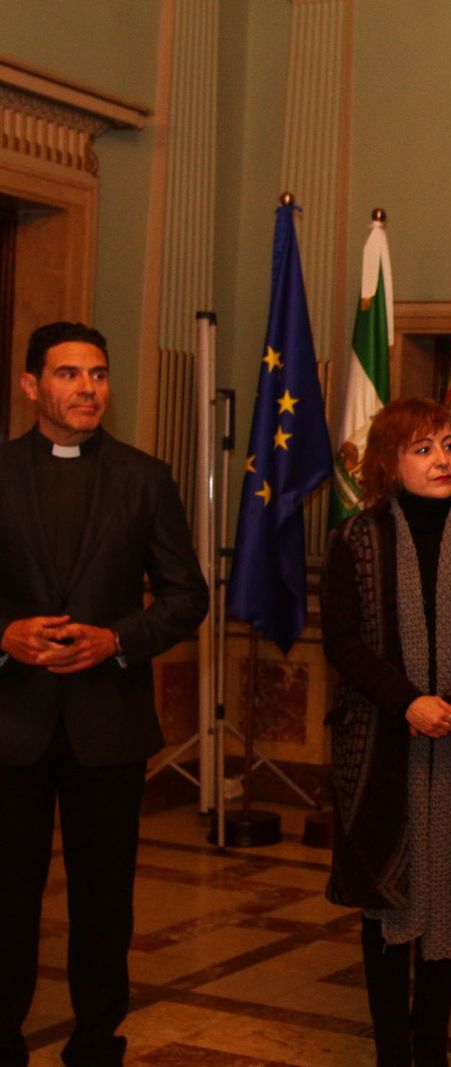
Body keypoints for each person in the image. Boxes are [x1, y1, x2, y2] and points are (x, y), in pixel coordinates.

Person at [0, 322, 209, 1067]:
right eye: (68, 374)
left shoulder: (143, 477)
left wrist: (115, 639)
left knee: (102, 907)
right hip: (11, 725)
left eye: (98, 373)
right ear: (32, 387)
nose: (87, 387)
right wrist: (6, 634)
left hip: (107, 725)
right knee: (6, 904)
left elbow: (188, 595)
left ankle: (95, 1046)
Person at [321, 397, 451, 1067]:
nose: (443, 458)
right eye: (423, 448)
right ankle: (391, 1050)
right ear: (389, 462)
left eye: (448, 444)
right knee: (387, 896)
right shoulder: (357, 538)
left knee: (448, 895)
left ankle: (432, 1048)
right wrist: (409, 703)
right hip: (380, 745)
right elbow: (343, 641)